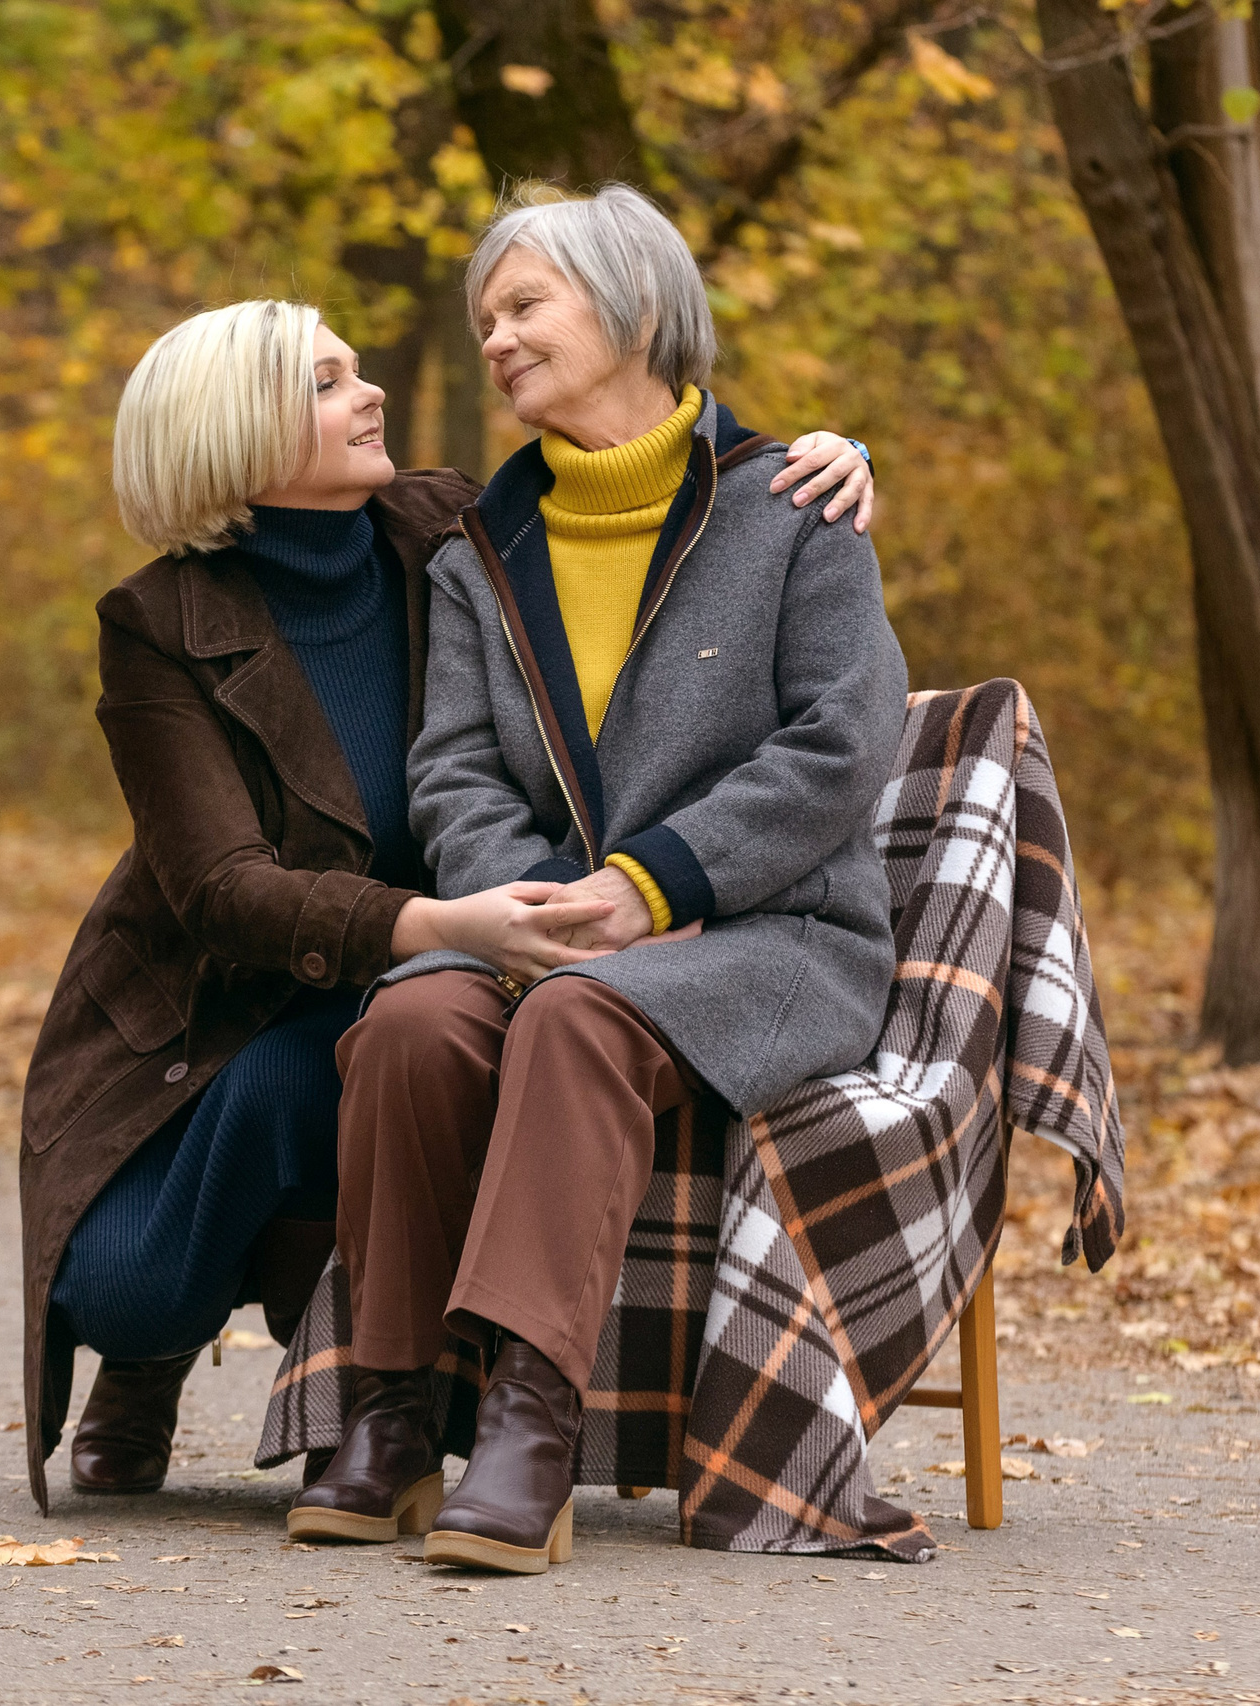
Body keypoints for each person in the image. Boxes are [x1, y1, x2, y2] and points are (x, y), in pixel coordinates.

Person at [17, 295, 880, 1515]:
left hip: (455, 967)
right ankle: (148, 1356)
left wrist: (823, 459)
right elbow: (222, 890)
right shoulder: (156, 622)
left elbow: (644, 489)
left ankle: (387, 1406)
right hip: (233, 993)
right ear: (237, 435)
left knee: (395, 1050)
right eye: (327, 383)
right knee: (126, 1284)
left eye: (354, 370)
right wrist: (445, 925)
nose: (369, 393)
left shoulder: (446, 527)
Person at [294, 185, 909, 1572]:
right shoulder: (478, 552)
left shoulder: (796, 503)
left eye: (524, 307)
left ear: (633, 303)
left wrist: (650, 885)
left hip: (773, 935)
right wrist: (532, 911)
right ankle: (389, 1410)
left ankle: (530, 1419)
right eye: (486, 320)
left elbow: (845, 742)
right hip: (561, 932)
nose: (496, 340)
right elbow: (454, 770)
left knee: (580, 1020)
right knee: (409, 1018)